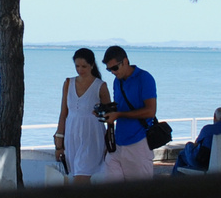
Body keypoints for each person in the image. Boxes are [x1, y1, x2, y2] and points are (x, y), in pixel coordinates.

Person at [98, 46, 158, 182]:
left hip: (138, 143)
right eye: (109, 69)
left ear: (125, 61)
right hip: (117, 144)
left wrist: (119, 115)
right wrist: (104, 112)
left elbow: (150, 111)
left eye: (115, 68)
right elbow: (118, 107)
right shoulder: (117, 82)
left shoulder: (144, 78)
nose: (112, 72)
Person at [55, 48, 109, 183]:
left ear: (91, 65)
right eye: (77, 66)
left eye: (84, 66)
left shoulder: (100, 86)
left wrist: (109, 142)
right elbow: (63, 114)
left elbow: (109, 116)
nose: (80, 70)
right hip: (72, 135)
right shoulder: (68, 83)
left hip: (92, 135)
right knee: (76, 175)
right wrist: (59, 143)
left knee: (81, 177)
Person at [173, 107, 221, 174]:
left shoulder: (208, 129)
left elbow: (197, 143)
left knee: (184, 152)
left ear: (215, 117)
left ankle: (175, 181)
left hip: (204, 162)